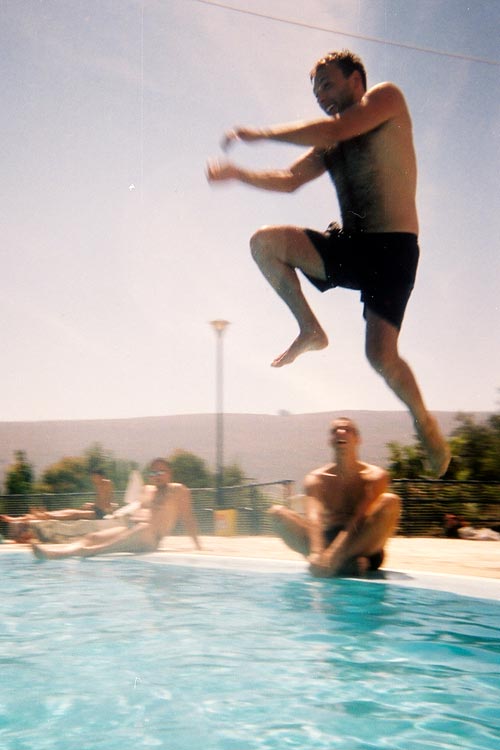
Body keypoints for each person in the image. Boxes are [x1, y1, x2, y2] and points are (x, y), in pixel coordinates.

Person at [207, 49, 450, 478]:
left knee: (380, 355)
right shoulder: (329, 142)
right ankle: (310, 329)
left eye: (327, 84)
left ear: (356, 80)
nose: (320, 95)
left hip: (392, 249)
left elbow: (338, 127)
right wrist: (240, 175)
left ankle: (425, 423)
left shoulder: (386, 100)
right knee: (265, 244)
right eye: (316, 90)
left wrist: (260, 134)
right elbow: (290, 180)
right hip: (351, 247)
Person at [268, 417, 400, 577]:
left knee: (390, 501)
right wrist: (317, 552)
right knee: (277, 513)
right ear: (330, 441)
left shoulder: (375, 476)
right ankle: (343, 564)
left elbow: (359, 519)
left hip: (362, 541)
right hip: (326, 540)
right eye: (334, 431)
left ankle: (341, 561)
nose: (340, 432)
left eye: (347, 429)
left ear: (358, 439)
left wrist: (335, 555)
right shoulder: (316, 479)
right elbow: (314, 519)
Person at [31, 458, 202, 560]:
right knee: (92, 537)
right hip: (131, 529)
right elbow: (139, 513)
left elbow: (188, 518)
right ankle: (56, 552)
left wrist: (197, 545)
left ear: (170, 473)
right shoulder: (146, 490)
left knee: (142, 528)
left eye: (161, 472)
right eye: (153, 473)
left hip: (151, 537)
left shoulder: (178, 490)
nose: (157, 476)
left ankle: (86, 552)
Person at [1, 469, 116, 524]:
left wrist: (106, 507)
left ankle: (46, 515)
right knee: (68, 511)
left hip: (100, 513)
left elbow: (107, 501)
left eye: (95, 477)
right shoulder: (98, 485)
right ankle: (18, 518)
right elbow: (102, 500)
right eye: (93, 477)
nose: (93, 479)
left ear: (101, 476)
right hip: (96, 510)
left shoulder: (107, 483)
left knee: (75, 514)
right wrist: (92, 505)